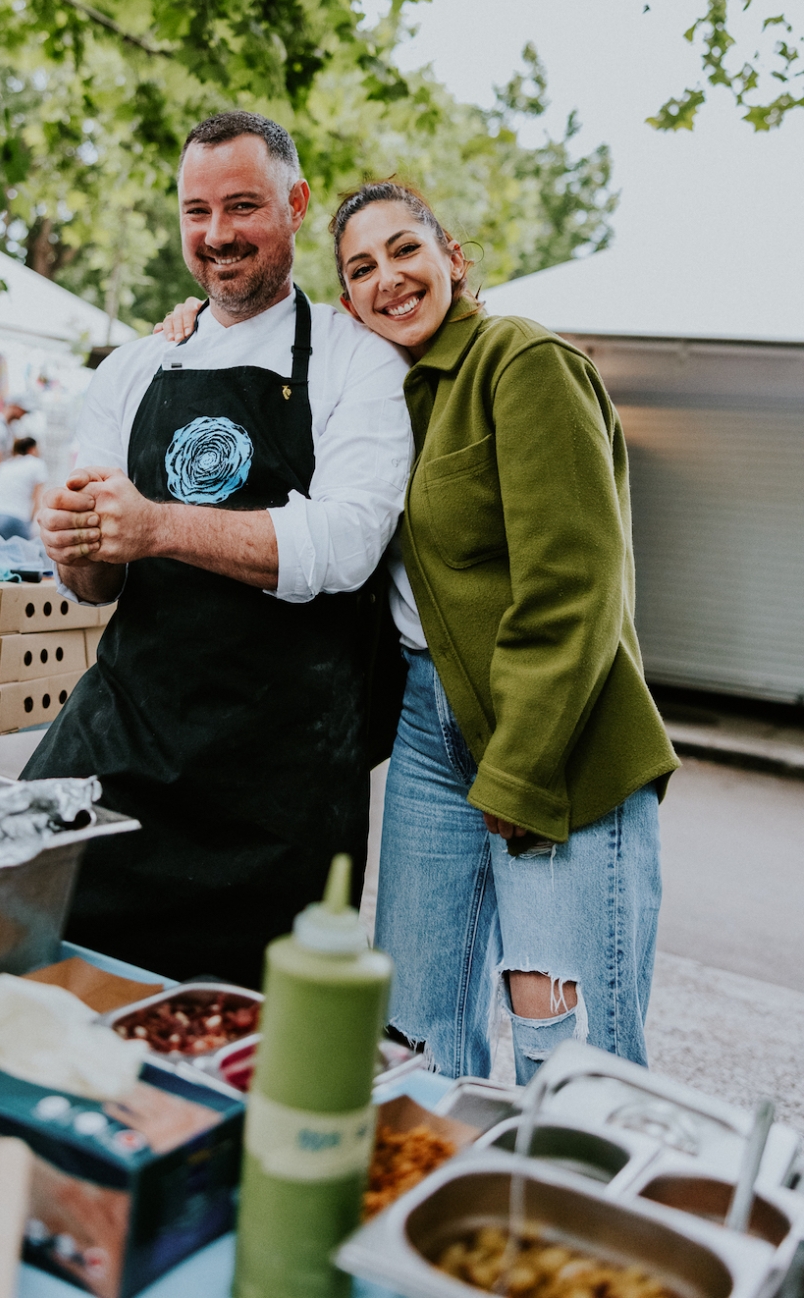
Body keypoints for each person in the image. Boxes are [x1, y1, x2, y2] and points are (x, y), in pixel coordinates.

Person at [161, 181, 678, 1081]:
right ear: (349, 298)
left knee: (564, 1052)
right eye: (361, 268)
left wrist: (518, 769)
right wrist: (203, 326)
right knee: (411, 1034)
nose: (389, 280)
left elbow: (576, 589)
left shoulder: (523, 362)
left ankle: (565, 1214)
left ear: (453, 256)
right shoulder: (390, 389)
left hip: (555, 735)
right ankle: (436, 1209)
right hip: (430, 734)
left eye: (406, 251)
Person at [22, 111, 412, 987]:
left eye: (242, 207)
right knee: (34, 968)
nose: (217, 236)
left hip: (276, 789)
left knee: (235, 1042)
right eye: (196, 212)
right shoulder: (131, 368)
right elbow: (93, 585)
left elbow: (345, 545)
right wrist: (73, 544)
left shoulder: (359, 364)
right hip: (126, 751)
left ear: (296, 203)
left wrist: (157, 524)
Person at [0, 437, 47, 541]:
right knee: (23, 554)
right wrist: (29, 523)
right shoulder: (37, 464)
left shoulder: (5, 464)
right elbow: (37, 500)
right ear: (31, 450)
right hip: (16, 516)